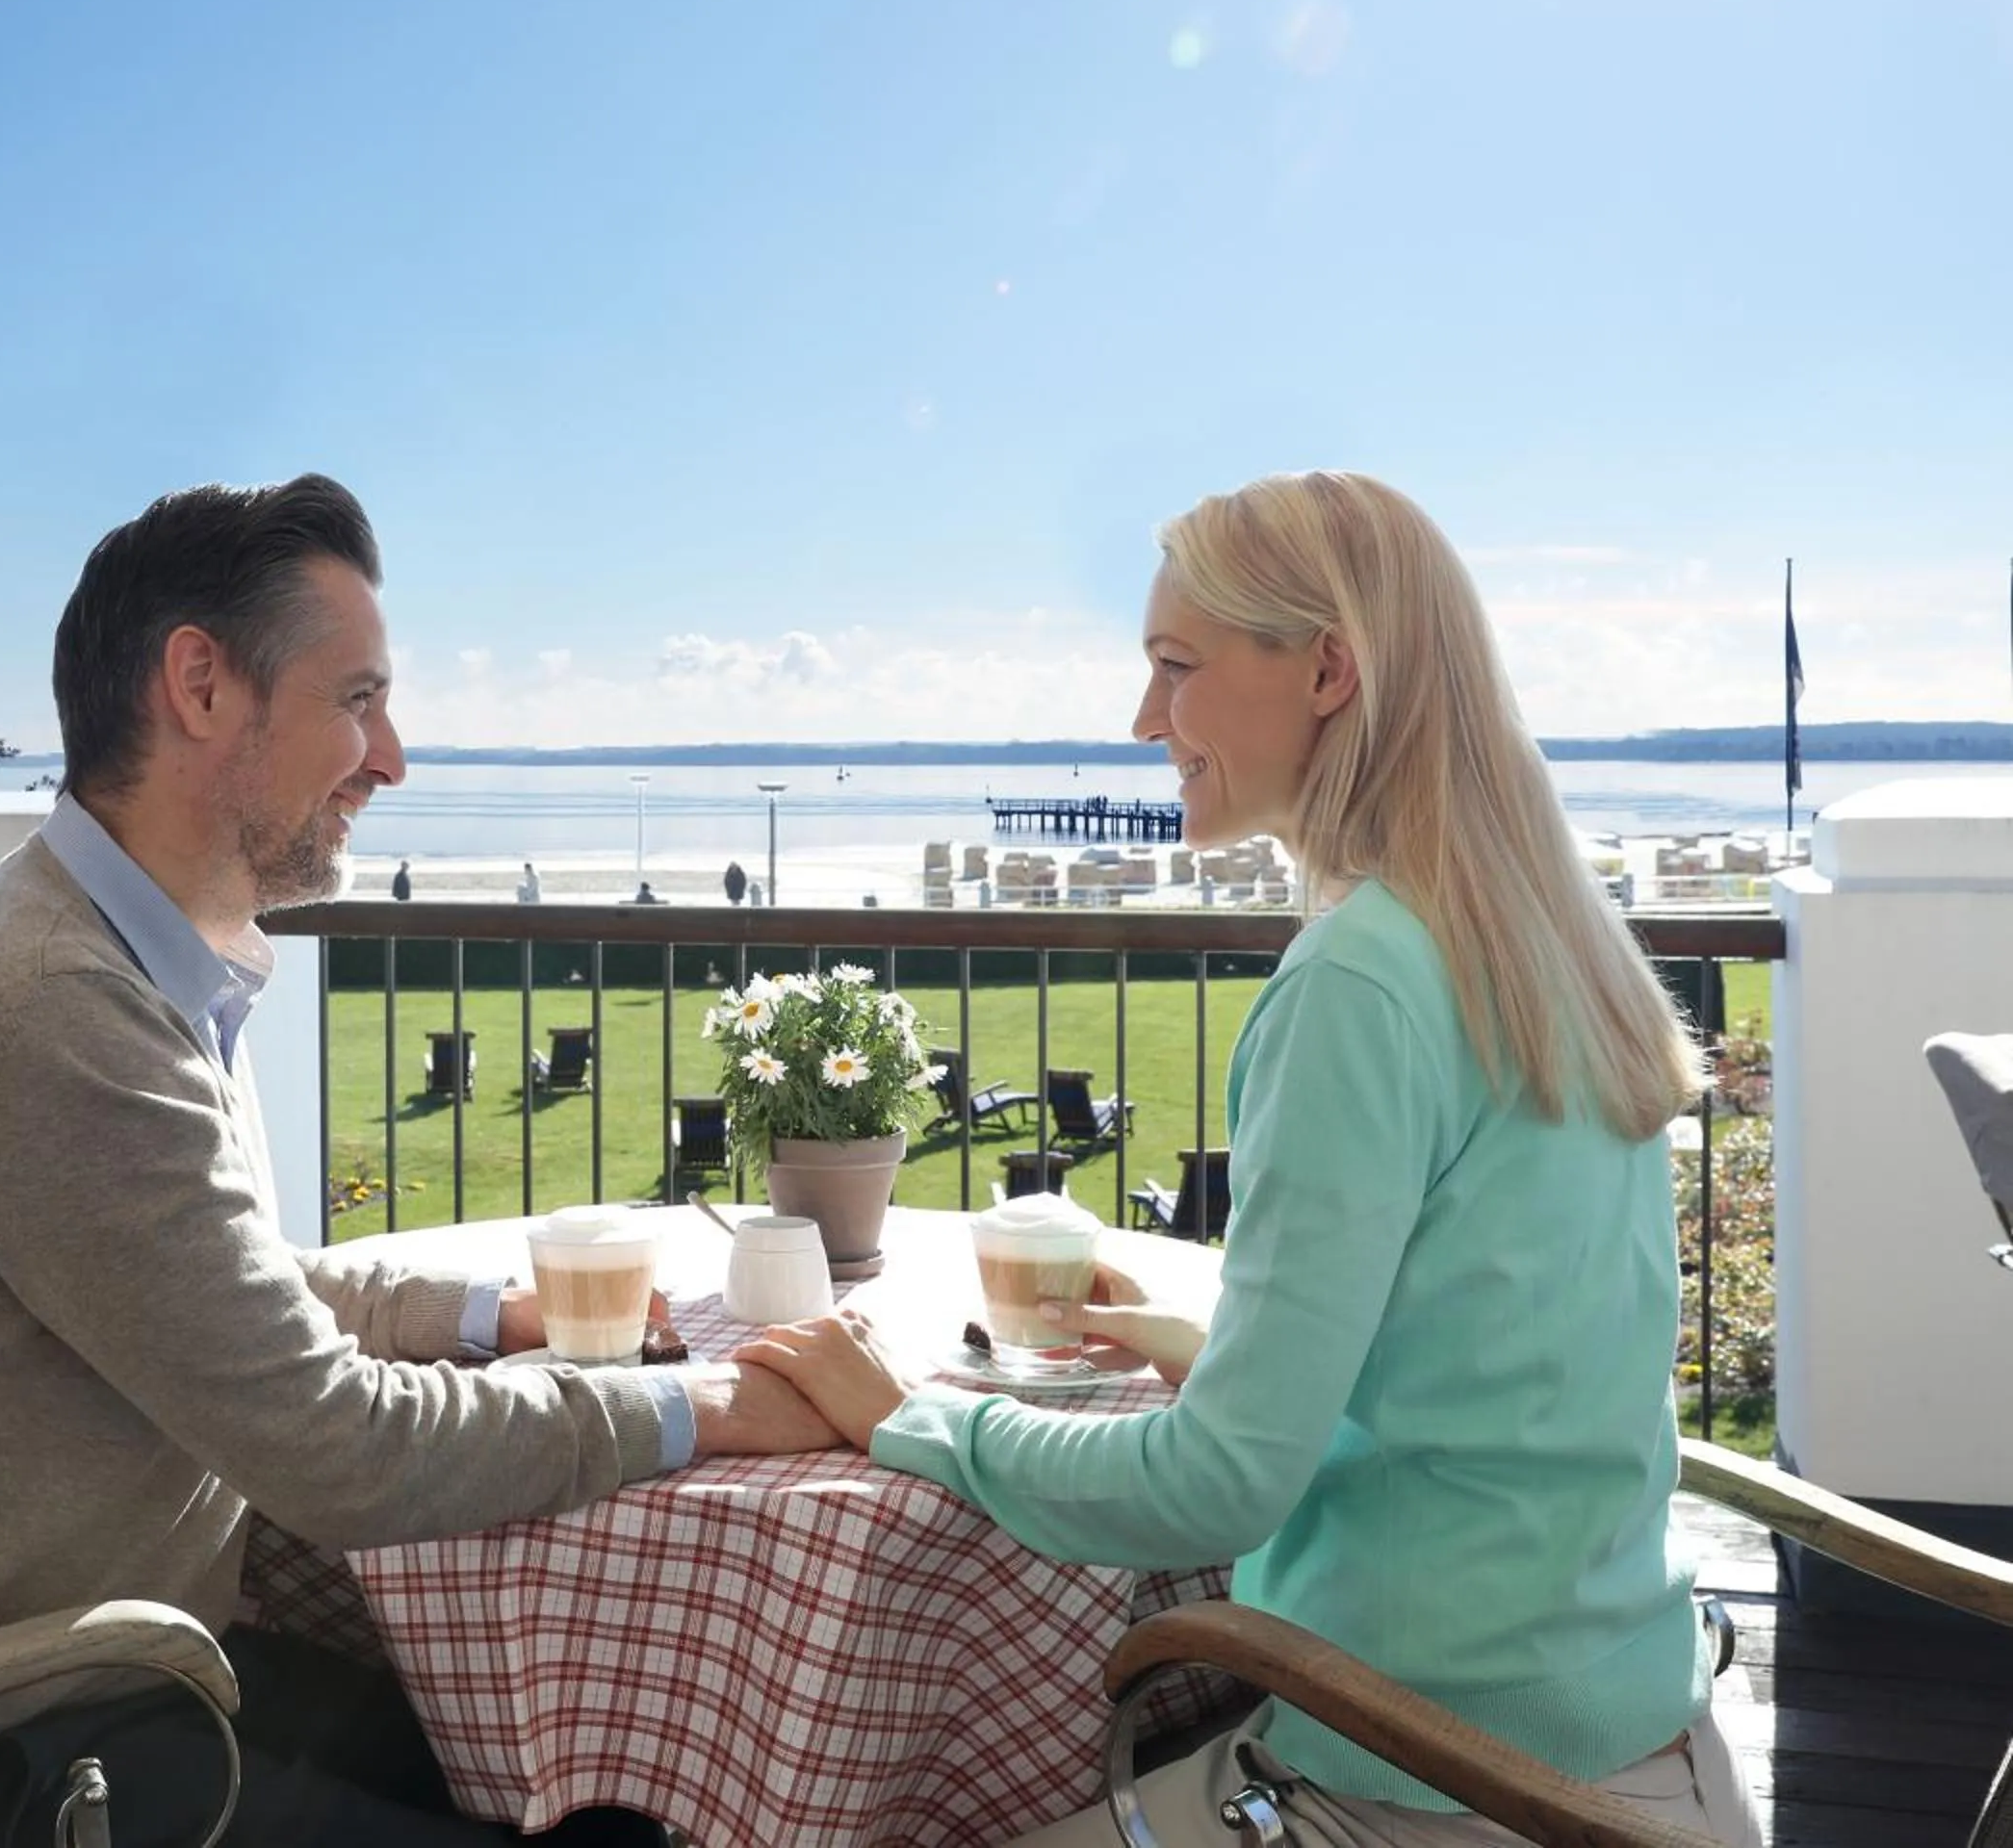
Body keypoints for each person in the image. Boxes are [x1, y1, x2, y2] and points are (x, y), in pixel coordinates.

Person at [0, 475, 836, 1848]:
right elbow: (338, 1448)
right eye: (356, 698)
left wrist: (490, 1318)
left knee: (548, 1768)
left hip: (86, 1691)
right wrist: (705, 1408)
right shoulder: (55, 1015)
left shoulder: (119, 959)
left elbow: (224, 1289)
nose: (394, 757)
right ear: (200, 685)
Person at [736, 473, 1761, 1847]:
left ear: (1329, 667)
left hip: (1435, 1775)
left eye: (1175, 665)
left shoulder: (1362, 980)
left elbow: (1219, 1487)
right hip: (1645, 1740)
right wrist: (1217, 1340)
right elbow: (1490, 1339)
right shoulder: (1543, 936)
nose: (1145, 719)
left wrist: (908, 1417)